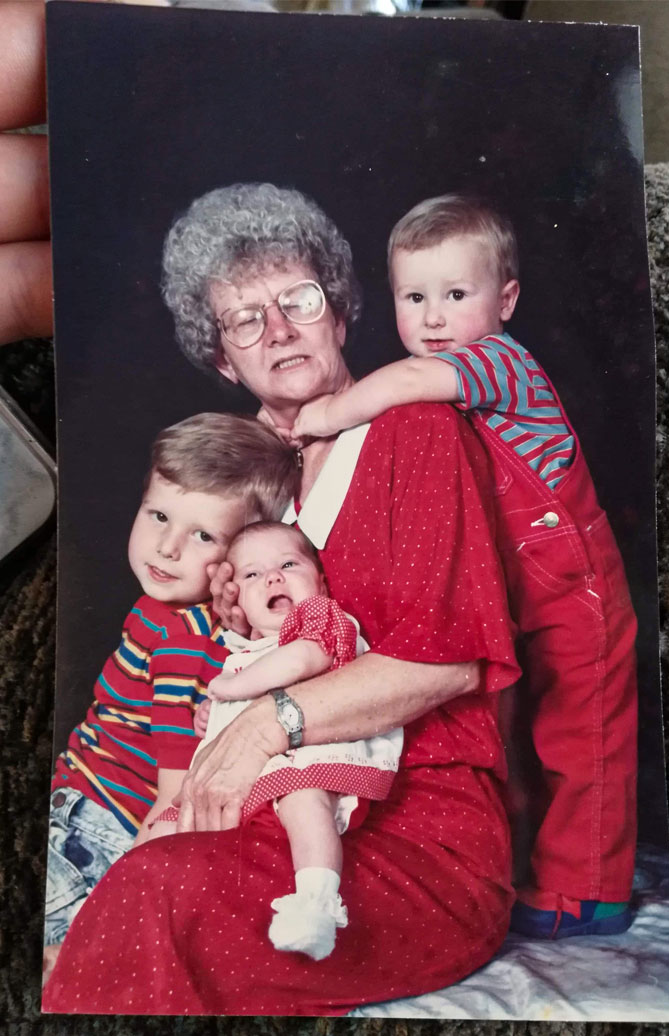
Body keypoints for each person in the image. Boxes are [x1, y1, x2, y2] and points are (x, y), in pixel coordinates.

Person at [43, 182, 520, 1015]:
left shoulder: (414, 430)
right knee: (118, 882)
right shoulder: (242, 483)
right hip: (266, 811)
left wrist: (265, 725)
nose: (279, 330)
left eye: (298, 299)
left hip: (414, 831)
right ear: (224, 361)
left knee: (157, 895)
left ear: (339, 311)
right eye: (244, 319)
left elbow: (449, 665)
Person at [288, 194, 638, 938]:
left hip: (575, 584)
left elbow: (406, 383)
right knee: (522, 727)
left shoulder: (496, 361)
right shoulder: (452, 380)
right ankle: (527, 871)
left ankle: (590, 890)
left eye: (455, 295)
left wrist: (324, 415)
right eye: (414, 298)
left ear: (505, 301)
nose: (434, 318)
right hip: (520, 586)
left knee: (584, 731)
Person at [44, 413, 297, 971]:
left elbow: (174, 793)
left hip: (98, 830)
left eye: (203, 535)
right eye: (158, 515)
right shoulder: (164, 612)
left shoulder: (184, 639)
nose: (167, 546)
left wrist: (122, 906)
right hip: (81, 800)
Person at [147, 520, 403, 961]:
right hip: (244, 785)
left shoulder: (320, 620)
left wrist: (230, 689)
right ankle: (145, 917)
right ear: (239, 603)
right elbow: (238, 710)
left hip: (309, 761)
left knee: (305, 804)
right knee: (167, 830)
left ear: (320, 581)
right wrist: (210, 716)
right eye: (252, 574)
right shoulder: (243, 654)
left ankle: (316, 905)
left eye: (288, 565)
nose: (272, 578)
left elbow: (302, 660)